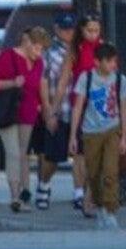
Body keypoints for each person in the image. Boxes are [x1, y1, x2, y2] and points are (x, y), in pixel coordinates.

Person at [0, 27, 50, 212]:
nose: (39, 53)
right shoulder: (8, 57)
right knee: (13, 152)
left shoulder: (38, 63)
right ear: (26, 42)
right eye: (36, 48)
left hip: (28, 112)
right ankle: (15, 196)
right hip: (7, 112)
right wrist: (12, 83)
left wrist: (44, 107)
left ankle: (25, 191)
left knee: (23, 153)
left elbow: (39, 86)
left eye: (42, 50)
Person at [69, 43, 126, 229]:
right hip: (90, 132)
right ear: (97, 62)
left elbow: (124, 108)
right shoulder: (86, 78)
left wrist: (123, 136)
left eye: (115, 61)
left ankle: (110, 210)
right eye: (109, 61)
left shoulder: (120, 79)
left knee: (111, 172)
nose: (113, 65)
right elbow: (78, 106)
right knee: (94, 174)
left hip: (112, 129)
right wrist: (73, 135)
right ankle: (98, 203)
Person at [63, 12, 104, 213]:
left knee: (96, 152)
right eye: (89, 30)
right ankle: (79, 191)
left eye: (96, 30)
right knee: (79, 152)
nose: (93, 34)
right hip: (80, 104)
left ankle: (91, 192)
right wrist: (54, 107)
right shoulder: (76, 50)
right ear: (82, 30)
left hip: (100, 106)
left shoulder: (103, 49)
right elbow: (64, 79)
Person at [34, 13, 76, 210]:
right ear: (57, 30)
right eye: (65, 28)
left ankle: (79, 193)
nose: (69, 32)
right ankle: (44, 185)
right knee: (53, 156)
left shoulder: (81, 51)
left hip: (77, 110)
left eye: (71, 28)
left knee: (81, 155)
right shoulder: (49, 54)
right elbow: (43, 82)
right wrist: (48, 109)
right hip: (58, 110)